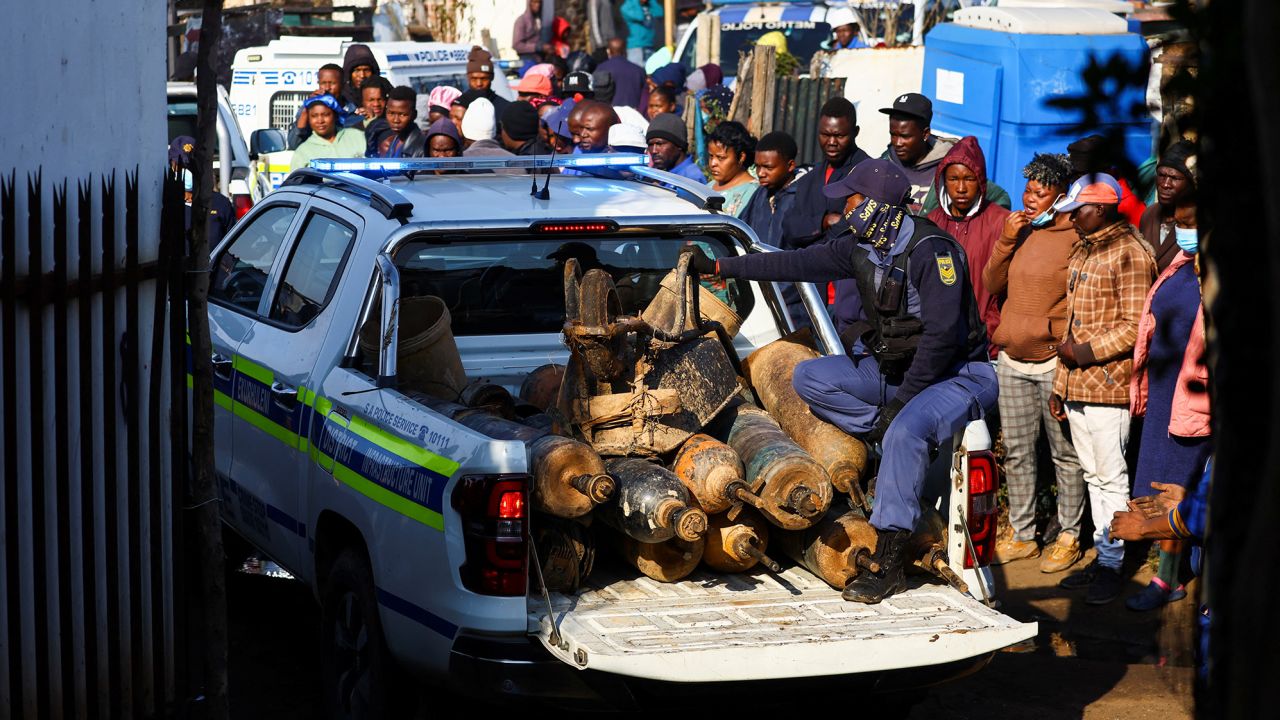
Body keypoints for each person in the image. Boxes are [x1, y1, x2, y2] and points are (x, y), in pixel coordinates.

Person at [682, 159, 994, 604]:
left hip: (956, 375)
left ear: (876, 206)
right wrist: (721, 268)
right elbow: (797, 263)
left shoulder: (932, 252)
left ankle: (888, 563)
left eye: (851, 200)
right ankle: (883, 438)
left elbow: (943, 339)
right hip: (895, 372)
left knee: (906, 430)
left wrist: (900, 407)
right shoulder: (863, 244)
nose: (844, 210)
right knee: (809, 376)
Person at [1049, 173, 1156, 605]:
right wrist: (1061, 384)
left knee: (1111, 477)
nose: (1072, 218)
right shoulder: (1085, 247)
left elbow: (1137, 326)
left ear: (1104, 209)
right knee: (1094, 476)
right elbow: (1074, 322)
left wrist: (1086, 354)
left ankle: (1113, 565)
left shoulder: (1130, 253)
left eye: (1079, 210)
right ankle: (1104, 554)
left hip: (1108, 387)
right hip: (1078, 385)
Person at [983, 152, 1088, 573]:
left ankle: (1068, 534)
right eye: (1027, 190)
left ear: (1061, 197)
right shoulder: (1021, 232)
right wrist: (1007, 239)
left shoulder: (1075, 238)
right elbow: (992, 284)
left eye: (1040, 193)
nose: (1029, 199)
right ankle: (1024, 535)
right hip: (1012, 359)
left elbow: (1081, 304)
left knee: (1065, 454)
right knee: (1019, 454)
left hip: (1052, 363)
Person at [1126, 196, 1210, 611]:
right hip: (1163, 393)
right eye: (1177, 223)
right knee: (1158, 478)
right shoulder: (1178, 265)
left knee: (1181, 483)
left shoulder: (1216, 278)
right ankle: (1168, 572)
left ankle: (1169, 578)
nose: (1181, 231)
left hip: (1195, 397)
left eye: (1189, 223)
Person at [925, 137, 1009, 355]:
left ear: (980, 181)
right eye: (953, 179)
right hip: (937, 345)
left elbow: (1008, 291)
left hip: (984, 347)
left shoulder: (1001, 223)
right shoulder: (931, 224)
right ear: (943, 180)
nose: (961, 188)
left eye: (969, 179)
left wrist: (988, 330)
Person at [782, 97, 871, 250]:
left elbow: (851, 229)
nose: (831, 142)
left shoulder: (868, 172)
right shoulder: (809, 179)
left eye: (839, 136)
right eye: (825, 134)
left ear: (855, 132)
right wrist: (823, 222)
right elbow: (790, 227)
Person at [878, 93, 956, 215]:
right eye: (893, 134)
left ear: (925, 134)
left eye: (905, 136)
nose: (897, 143)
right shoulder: (884, 164)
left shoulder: (952, 165)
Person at [1140, 140, 1198, 272]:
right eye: (1161, 175)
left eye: (1175, 178)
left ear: (1191, 184)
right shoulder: (1149, 215)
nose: (1165, 184)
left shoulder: (1195, 223)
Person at [1066, 135, 1146, 228]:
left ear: (1108, 172)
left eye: (1081, 175)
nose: (1076, 181)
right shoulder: (1083, 195)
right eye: (1073, 174)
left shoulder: (1127, 206)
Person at [170, 136, 234, 246]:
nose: (186, 171)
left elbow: (233, 246)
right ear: (171, 166)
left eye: (191, 167)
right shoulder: (168, 206)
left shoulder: (220, 204)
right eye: (180, 166)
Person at [742, 131, 801, 250]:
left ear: (790, 166)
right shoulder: (760, 193)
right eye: (757, 166)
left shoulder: (801, 196)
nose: (760, 173)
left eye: (768, 167)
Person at [290, 94, 366, 170]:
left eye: (325, 115)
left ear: (335, 116)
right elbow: (295, 180)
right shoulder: (303, 151)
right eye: (314, 116)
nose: (320, 121)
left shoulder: (357, 137)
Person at [289, 63, 356, 149]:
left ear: (343, 84)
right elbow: (294, 145)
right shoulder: (308, 110)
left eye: (332, 83)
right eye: (323, 83)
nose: (327, 88)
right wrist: (307, 110)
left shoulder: (353, 111)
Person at [705, 121, 758, 217]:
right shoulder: (707, 187)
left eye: (721, 158)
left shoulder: (753, 193)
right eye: (711, 156)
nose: (713, 163)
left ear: (741, 157)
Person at [646, 113, 706, 182]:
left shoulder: (691, 178)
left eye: (659, 144)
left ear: (679, 145)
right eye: (650, 144)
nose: (654, 151)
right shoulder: (668, 174)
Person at [376, 86, 426, 158]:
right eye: (391, 113)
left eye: (402, 115)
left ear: (414, 115)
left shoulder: (422, 147)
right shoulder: (393, 141)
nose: (396, 120)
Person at [599, 37, 647, 110]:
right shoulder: (639, 70)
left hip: (610, 114)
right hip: (634, 114)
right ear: (625, 50)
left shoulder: (601, 68)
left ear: (608, 51)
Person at [466, 47, 511, 117]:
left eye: (484, 79)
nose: (479, 84)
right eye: (474, 79)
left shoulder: (505, 108)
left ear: (492, 77)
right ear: (468, 77)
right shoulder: (459, 106)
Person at [620, 0, 663, 65]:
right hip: (636, 47)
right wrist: (638, 2)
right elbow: (640, 16)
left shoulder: (649, 4)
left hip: (650, 46)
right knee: (637, 72)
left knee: (652, 72)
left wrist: (651, 1)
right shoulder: (627, 7)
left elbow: (660, 13)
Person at [358, 77, 393, 157]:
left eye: (380, 99)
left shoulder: (395, 126)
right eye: (371, 100)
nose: (376, 104)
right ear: (362, 101)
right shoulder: (353, 128)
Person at [342, 44, 380, 110]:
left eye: (366, 70)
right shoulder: (341, 97)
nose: (362, 75)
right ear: (349, 73)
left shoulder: (383, 93)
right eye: (357, 70)